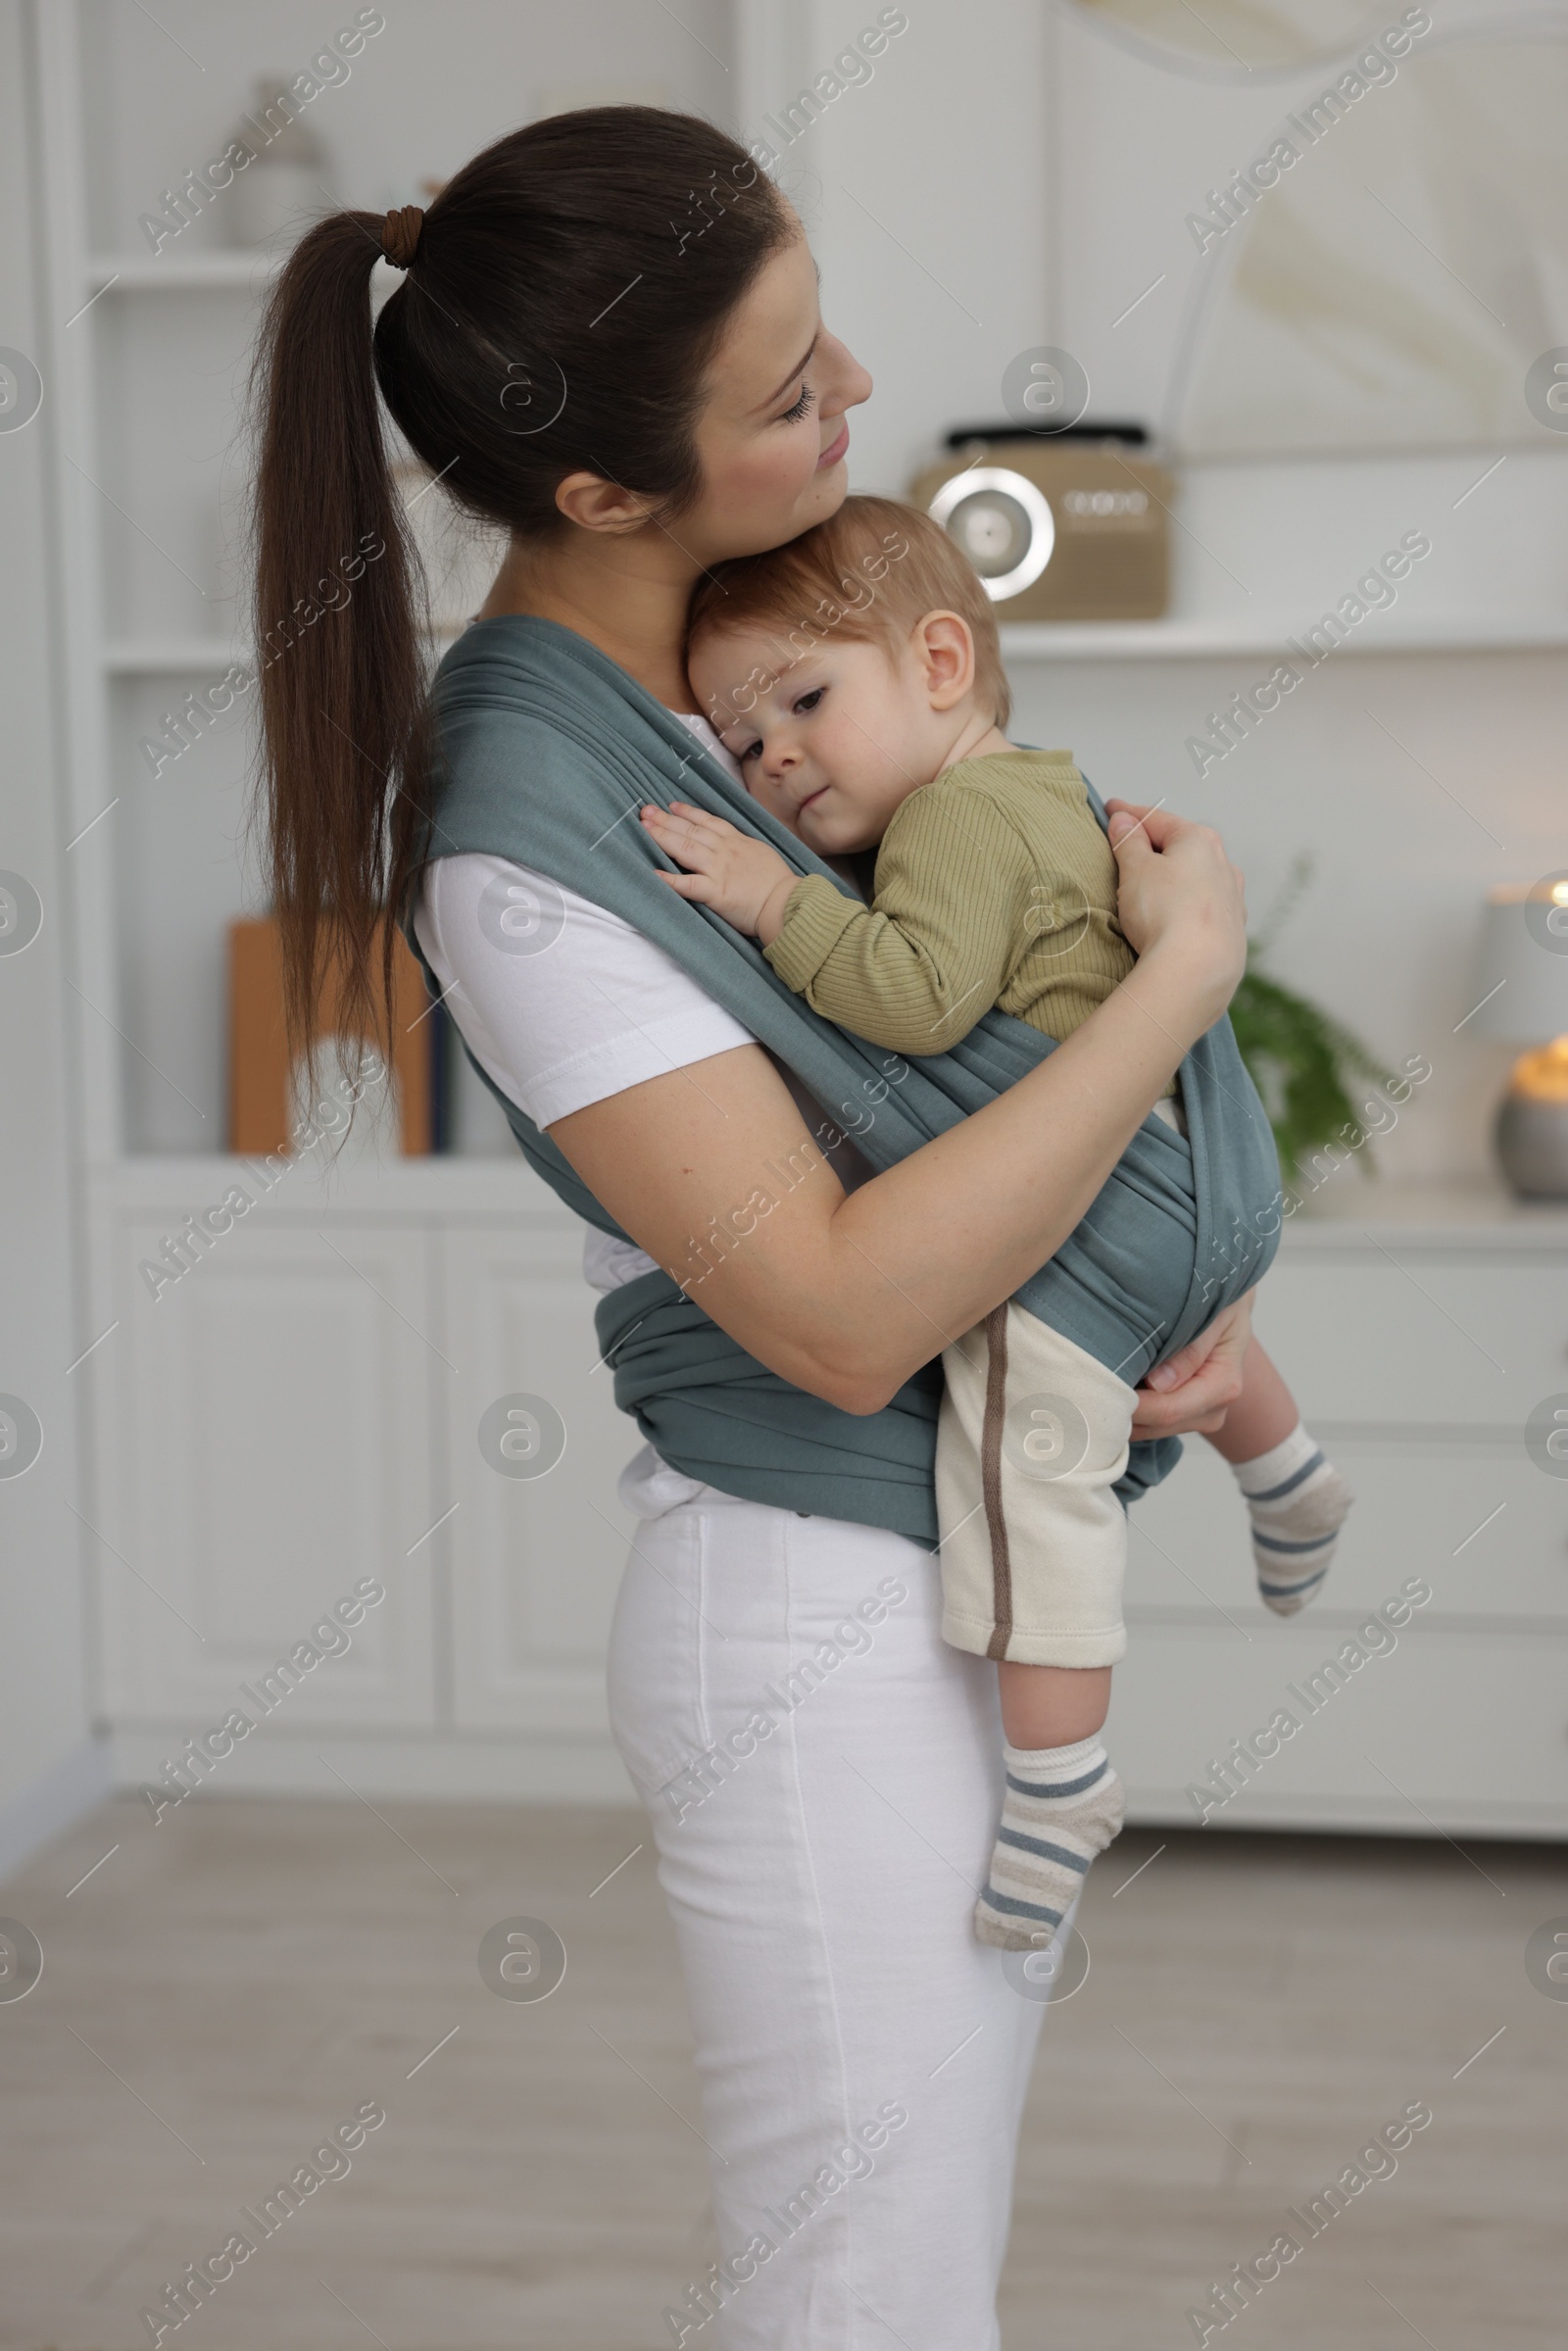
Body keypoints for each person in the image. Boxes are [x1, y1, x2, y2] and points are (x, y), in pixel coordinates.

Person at [253, 105, 1256, 2351]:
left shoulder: (718, 708)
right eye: (791, 393)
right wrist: (1189, 980)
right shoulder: (525, 832)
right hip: (809, 1625)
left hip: (921, 1576)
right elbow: (819, 1309)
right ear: (601, 490)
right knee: (865, 2298)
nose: (859, 401)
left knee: (918, 2267)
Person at [643, 495, 1353, 1950]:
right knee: (1196, 1341)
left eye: (806, 699)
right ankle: (1289, 1471)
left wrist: (780, 906)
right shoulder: (1050, 788)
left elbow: (915, 998)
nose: (775, 756)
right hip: (1200, 1193)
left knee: (1029, 1499)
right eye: (742, 740)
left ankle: (1058, 1783)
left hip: (1088, 1239)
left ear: (944, 663)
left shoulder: (953, 824)